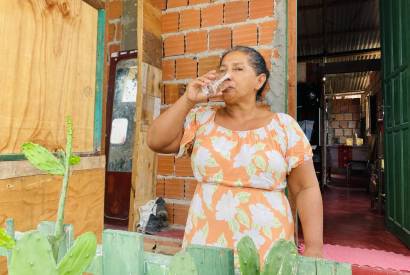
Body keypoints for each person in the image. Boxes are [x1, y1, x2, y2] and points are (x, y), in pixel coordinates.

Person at [147, 46, 323, 266]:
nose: (228, 75)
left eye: (238, 69)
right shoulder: (201, 119)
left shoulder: (284, 126)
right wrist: (188, 99)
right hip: (207, 245)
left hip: (267, 246)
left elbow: (306, 188)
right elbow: (156, 141)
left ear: (259, 81)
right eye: (223, 70)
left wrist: (314, 247)